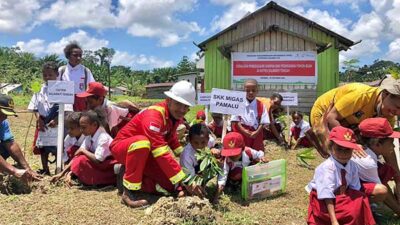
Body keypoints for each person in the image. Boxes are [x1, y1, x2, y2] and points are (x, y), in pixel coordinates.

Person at [110, 80, 204, 208]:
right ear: (169, 100)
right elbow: (160, 151)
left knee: (173, 185)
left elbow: (171, 138)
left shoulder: (173, 116)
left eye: (186, 106)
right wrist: (186, 179)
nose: (182, 110)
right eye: (178, 104)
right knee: (141, 143)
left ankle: (126, 174)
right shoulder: (154, 116)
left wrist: (192, 157)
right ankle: (128, 193)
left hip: (146, 152)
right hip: (123, 148)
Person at [307, 126, 376, 225]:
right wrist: (334, 221)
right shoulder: (326, 168)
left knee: (360, 201)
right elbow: (326, 195)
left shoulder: (352, 165)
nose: (343, 154)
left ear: (353, 150)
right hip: (324, 200)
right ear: (331, 148)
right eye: (339, 149)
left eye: (347, 150)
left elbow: (355, 188)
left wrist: (354, 203)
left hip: (343, 194)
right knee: (349, 211)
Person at [28, 62, 71, 175]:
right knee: (43, 147)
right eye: (45, 75)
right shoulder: (39, 90)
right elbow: (35, 107)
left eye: (50, 75)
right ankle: (45, 169)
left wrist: (57, 120)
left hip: (59, 122)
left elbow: (67, 107)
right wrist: (39, 120)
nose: (47, 77)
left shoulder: (64, 88)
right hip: (43, 122)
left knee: (58, 147)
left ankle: (59, 169)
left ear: (57, 74)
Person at [354, 118, 400, 215]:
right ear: (377, 144)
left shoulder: (368, 153)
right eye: (391, 143)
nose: (394, 147)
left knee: (384, 171)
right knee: (381, 191)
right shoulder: (368, 161)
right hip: (340, 196)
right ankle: (360, 210)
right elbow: (384, 192)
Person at [213, 132, 266, 204]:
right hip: (233, 178)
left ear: (242, 148)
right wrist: (216, 198)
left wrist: (262, 158)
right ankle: (234, 186)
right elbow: (222, 178)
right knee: (236, 173)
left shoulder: (248, 152)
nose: (232, 156)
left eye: (235, 154)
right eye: (230, 154)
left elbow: (259, 154)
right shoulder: (226, 161)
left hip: (247, 174)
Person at [0, 94, 41, 183]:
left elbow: (11, 144)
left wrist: (27, 168)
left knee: (5, 147)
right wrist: (14, 171)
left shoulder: (3, 122)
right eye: (3, 114)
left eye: (7, 114)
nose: (5, 117)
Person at [70, 109, 117, 186]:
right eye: (80, 127)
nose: (81, 130)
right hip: (99, 163)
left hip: (108, 166)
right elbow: (77, 154)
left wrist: (83, 150)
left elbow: (98, 160)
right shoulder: (89, 135)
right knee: (74, 152)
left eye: (84, 127)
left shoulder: (103, 138)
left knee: (82, 159)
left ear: (94, 125)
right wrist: (65, 173)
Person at [231, 79, 269, 151]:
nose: (250, 93)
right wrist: (244, 130)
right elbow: (236, 120)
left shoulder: (261, 105)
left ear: (257, 91)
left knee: (255, 153)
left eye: (253, 90)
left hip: (256, 134)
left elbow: (263, 121)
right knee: (242, 152)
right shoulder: (238, 103)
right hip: (242, 133)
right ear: (244, 91)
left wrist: (257, 132)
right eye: (247, 91)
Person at [58, 42, 95, 111]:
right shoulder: (61, 70)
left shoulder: (86, 71)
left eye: (80, 55)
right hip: (64, 103)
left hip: (81, 103)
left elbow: (92, 87)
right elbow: (54, 87)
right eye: (75, 55)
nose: (78, 58)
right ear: (68, 56)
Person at [51, 112, 85, 184]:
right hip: (72, 165)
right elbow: (66, 159)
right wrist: (66, 172)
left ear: (81, 128)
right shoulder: (68, 138)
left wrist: (66, 173)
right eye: (68, 128)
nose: (69, 131)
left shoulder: (87, 137)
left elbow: (78, 157)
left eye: (72, 128)